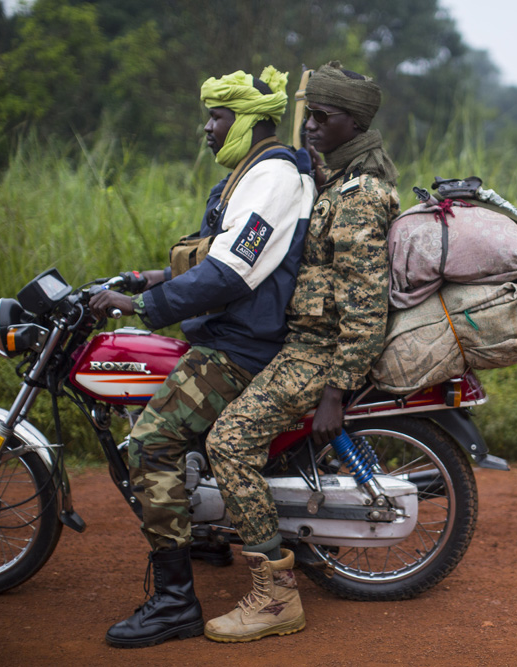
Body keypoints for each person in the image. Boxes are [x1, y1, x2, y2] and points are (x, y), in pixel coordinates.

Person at [90, 66, 316, 648]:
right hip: (229, 332)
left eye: (217, 117)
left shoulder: (272, 175)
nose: (207, 129)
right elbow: (214, 256)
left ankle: (174, 603)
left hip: (240, 346)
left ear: (248, 120)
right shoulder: (250, 175)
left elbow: (232, 270)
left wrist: (144, 304)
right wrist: (146, 278)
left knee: (151, 443)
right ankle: (208, 534)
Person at [201, 61, 401, 643]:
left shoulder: (361, 195)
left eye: (323, 116)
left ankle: (276, 599)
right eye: (308, 114)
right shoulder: (332, 178)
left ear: (354, 122)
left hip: (317, 353)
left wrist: (335, 391)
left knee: (230, 442)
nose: (309, 125)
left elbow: (365, 307)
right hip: (295, 339)